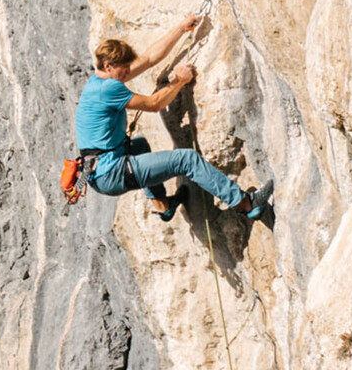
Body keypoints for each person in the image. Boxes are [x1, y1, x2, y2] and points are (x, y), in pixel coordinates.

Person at [73, 18, 272, 221]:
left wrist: (179, 30)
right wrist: (179, 82)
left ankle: (163, 205)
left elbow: (149, 58)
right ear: (109, 66)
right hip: (113, 173)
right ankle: (246, 204)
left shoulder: (98, 81)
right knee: (187, 160)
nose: (126, 73)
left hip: (97, 174)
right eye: (123, 69)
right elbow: (154, 104)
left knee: (139, 145)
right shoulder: (109, 88)